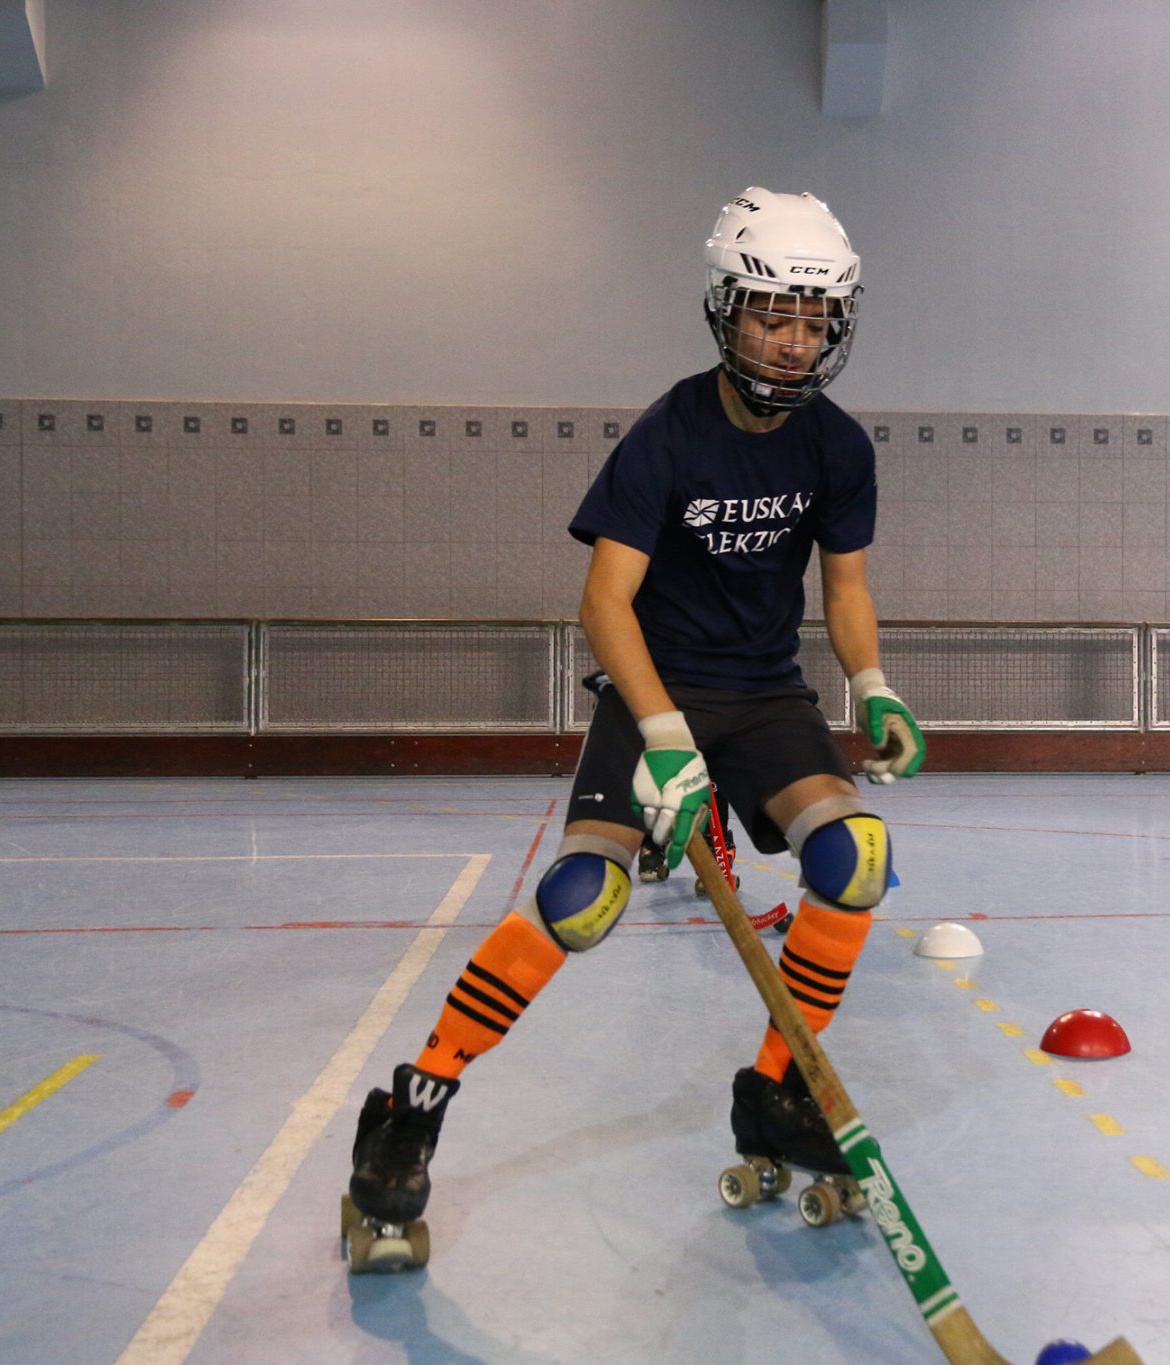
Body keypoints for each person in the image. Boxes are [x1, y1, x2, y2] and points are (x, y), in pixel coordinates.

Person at [342, 187, 926, 1264]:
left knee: (856, 857)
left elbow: (844, 589)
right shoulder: (669, 434)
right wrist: (662, 735)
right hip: (654, 686)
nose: (792, 343)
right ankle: (412, 1107)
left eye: (813, 323)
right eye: (772, 317)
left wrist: (874, 685)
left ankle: (777, 1087)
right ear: (726, 311)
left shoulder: (837, 447)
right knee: (586, 897)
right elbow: (604, 603)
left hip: (764, 696)